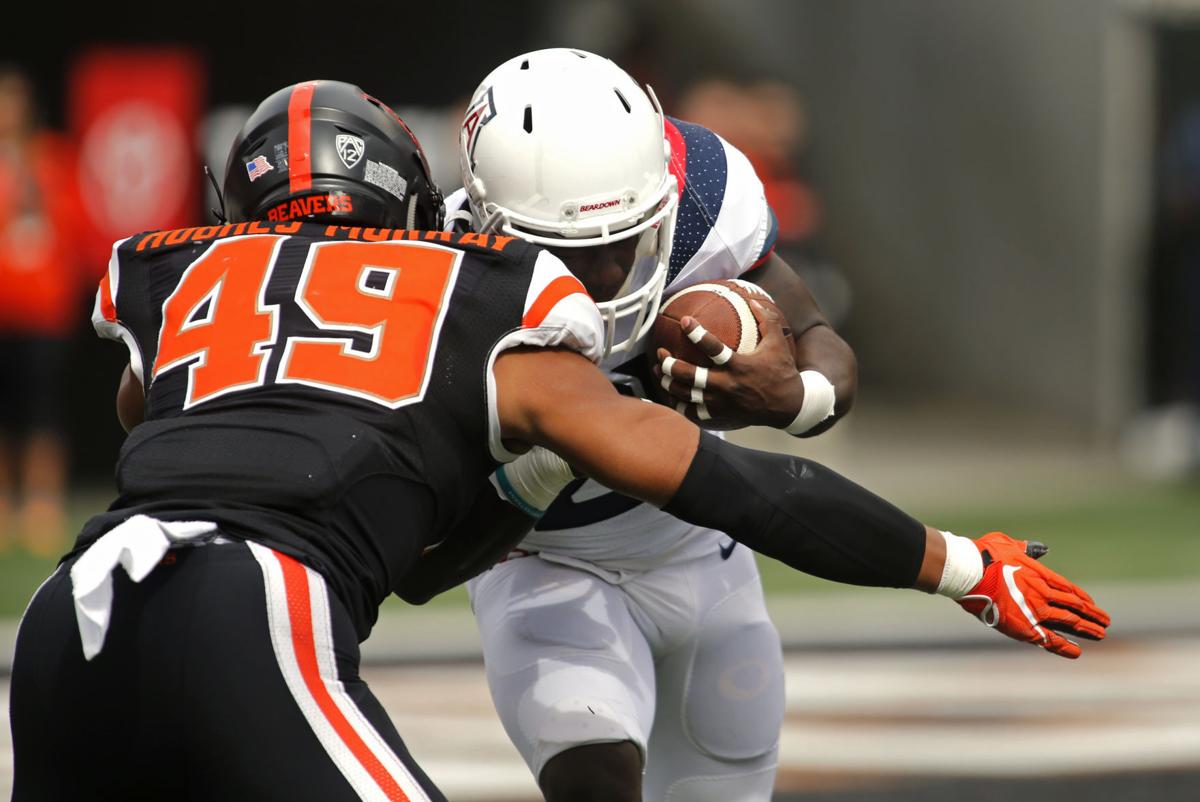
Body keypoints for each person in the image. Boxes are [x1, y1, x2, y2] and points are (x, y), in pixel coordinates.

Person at [9, 79, 1108, 802]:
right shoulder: (466, 298)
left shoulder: (179, 277)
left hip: (68, 612)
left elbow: (145, 412)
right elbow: (734, 487)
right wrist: (958, 565)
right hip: (251, 602)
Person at [430, 49, 1099, 802]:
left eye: (626, 238)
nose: (609, 275)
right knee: (593, 774)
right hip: (538, 562)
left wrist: (792, 399)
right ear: (486, 221)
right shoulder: (444, 277)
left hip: (697, 549)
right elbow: (420, 557)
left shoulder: (701, 203)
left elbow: (816, 344)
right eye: (573, 249)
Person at [0, 66, 86, 555]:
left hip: (42, 310)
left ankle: (41, 504)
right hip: (3, 307)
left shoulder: (54, 158)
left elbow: (74, 226)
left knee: (43, 412)